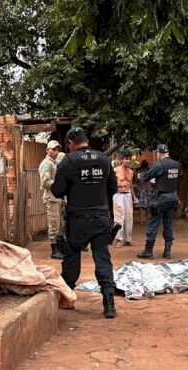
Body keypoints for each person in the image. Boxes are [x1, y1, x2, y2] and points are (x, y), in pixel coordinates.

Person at [51, 127, 118, 319]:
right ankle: (109, 304)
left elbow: (57, 190)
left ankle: (67, 297)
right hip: (100, 218)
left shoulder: (69, 160)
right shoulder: (104, 159)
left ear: (71, 144)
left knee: (72, 258)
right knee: (102, 258)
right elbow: (112, 187)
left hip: (77, 218)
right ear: (86, 140)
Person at [138, 143, 181, 259]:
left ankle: (148, 251)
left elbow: (145, 177)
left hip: (161, 199)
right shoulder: (176, 165)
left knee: (153, 223)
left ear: (159, 153)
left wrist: (141, 175)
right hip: (172, 198)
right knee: (168, 224)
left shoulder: (159, 165)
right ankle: (167, 251)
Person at [40, 140, 64, 259]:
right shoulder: (46, 164)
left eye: (57, 149)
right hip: (51, 198)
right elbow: (44, 182)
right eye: (53, 149)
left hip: (57, 198)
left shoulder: (54, 163)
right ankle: (54, 251)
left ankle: (59, 248)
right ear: (47, 150)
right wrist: (59, 183)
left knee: (59, 224)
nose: (56, 151)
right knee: (54, 224)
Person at [112, 149, 138, 247]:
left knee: (129, 217)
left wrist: (134, 197)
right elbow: (111, 184)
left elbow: (130, 185)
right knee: (119, 217)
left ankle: (128, 239)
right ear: (121, 160)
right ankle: (118, 239)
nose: (127, 161)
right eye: (126, 159)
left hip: (127, 195)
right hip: (118, 195)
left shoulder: (131, 172)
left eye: (129, 159)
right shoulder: (115, 170)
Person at [134, 160, 153, 224]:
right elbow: (153, 182)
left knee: (141, 206)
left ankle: (142, 220)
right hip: (149, 190)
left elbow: (137, 182)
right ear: (147, 166)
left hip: (141, 190)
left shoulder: (139, 173)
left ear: (141, 166)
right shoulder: (150, 172)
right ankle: (148, 219)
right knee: (148, 205)